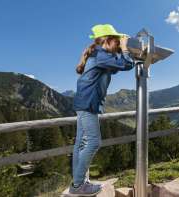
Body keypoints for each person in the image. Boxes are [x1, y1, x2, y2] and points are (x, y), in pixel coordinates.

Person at [69, 24, 135, 196]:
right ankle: (77, 186)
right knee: (93, 142)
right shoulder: (100, 55)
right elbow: (127, 65)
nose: (118, 44)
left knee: (81, 144)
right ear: (107, 40)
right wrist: (126, 48)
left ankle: (79, 183)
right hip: (88, 104)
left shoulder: (99, 55)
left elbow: (117, 67)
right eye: (116, 41)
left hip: (84, 104)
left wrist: (122, 50)